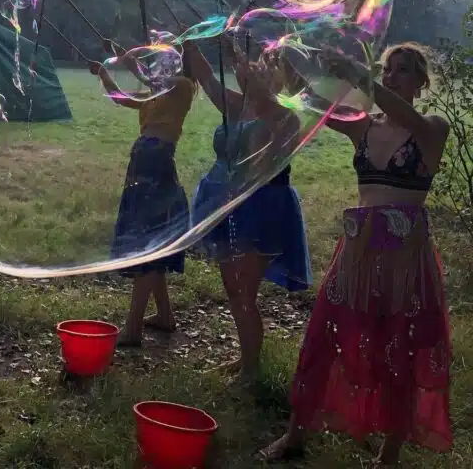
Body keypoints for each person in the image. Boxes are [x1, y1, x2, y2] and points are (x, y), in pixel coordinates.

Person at [260, 42, 452, 466]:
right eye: (387, 70)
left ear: (421, 82)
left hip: (406, 259)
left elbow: (408, 117)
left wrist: (359, 77)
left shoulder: (432, 127)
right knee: (326, 335)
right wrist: (287, 63)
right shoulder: (362, 126)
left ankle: (388, 456)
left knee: (402, 348)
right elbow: (312, 101)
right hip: (358, 252)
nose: (392, 77)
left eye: (403, 70)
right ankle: (295, 436)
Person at [185, 37, 312, 379]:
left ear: (282, 79)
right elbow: (207, 78)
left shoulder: (286, 117)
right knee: (233, 290)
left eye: (269, 68)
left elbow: (264, 150)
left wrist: (236, 59)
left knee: (244, 292)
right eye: (258, 65)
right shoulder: (237, 105)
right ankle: (245, 358)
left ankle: (251, 370)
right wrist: (191, 45)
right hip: (228, 203)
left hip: (261, 208)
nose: (258, 69)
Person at [91, 46, 197, 347]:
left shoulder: (183, 86)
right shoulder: (156, 93)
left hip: (156, 161)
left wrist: (129, 61)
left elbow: (153, 79)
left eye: (165, 59)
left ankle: (133, 328)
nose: (160, 62)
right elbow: (122, 98)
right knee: (151, 238)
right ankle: (165, 316)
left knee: (147, 240)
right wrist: (104, 73)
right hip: (142, 161)